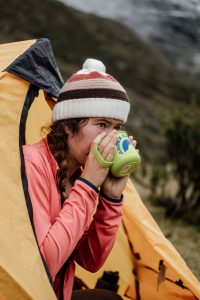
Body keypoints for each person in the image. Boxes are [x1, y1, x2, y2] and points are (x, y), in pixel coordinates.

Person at [23, 58, 134, 300]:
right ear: (67, 126)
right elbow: (45, 264)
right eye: (102, 124)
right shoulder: (31, 164)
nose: (111, 138)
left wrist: (110, 197)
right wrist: (88, 186)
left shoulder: (76, 174)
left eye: (117, 128)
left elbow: (90, 260)